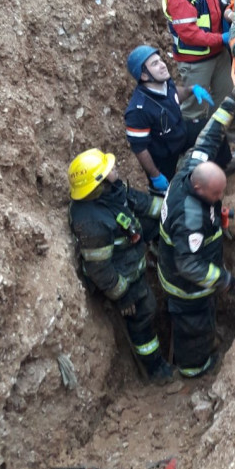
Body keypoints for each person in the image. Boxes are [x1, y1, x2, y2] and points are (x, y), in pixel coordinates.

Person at [67, 148, 174, 384]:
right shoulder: (92, 223)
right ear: (99, 182)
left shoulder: (112, 191)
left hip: (130, 250)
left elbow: (143, 204)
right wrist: (124, 296)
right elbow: (99, 270)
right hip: (125, 278)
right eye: (109, 170)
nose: (115, 169)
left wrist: (173, 210)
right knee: (143, 314)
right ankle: (155, 369)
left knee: (158, 225)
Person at [158, 97, 235, 378]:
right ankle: (194, 368)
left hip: (185, 271)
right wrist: (225, 281)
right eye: (215, 195)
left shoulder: (191, 169)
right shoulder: (190, 219)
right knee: (193, 327)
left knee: (202, 318)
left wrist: (229, 105)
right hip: (185, 288)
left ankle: (205, 341)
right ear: (199, 188)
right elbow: (190, 266)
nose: (220, 199)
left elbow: (208, 137)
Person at [124, 45, 235, 192]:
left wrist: (191, 90)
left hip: (180, 133)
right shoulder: (138, 110)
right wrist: (155, 175)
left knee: (213, 130)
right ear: (144, 76)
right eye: (154, 64)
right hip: (163, 154)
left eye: (160, 60)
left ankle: (222, 166)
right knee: (170, 192)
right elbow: (140, 149)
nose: (162, 65)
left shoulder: (164, 83)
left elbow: (176, 94)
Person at [162, 0, 233, 119]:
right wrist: (222, 38)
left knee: (226, 99)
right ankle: (191, 145)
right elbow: (189, 34)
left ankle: (220, 140)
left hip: (218, 53)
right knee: (195, 109)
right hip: (196, 61)